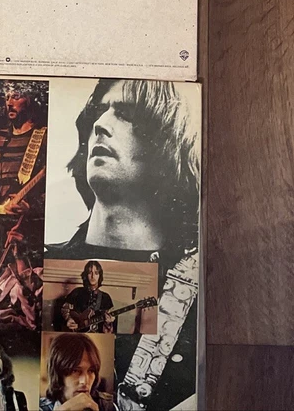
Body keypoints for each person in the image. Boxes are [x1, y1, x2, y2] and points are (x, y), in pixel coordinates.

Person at [44, 80, 200, 410]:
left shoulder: (202, 288)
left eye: (127, 114)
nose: (101, 125)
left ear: (171, 142)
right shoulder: (34, 269)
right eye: (98, 112)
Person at [0, 84, 46, 216]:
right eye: (7, 97)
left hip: (30, 221)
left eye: (16, 97)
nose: (9, 103)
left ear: (30, 100)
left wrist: (32, 208)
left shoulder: (44, 137)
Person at [39, 334, 116, 411]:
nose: (84, 381)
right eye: (75, 371)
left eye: (91, 370)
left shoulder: (109, 405)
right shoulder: (40, 407)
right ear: (58, 374)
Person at [57, 261, 115, 333]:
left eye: (96, 273)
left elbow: (109, 330)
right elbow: (64, 310)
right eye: (90, 272)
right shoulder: (77, 292)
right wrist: (68, 319)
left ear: (100, 276)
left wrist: (108, 323)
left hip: (97, 337)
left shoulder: (106, 298)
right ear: (85, 275)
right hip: (77, 335)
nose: (93, 276)